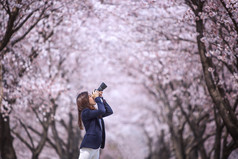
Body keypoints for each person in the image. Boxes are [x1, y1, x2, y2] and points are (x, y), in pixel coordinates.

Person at [76, 90, 113, 159]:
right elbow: (101, 110)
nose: (92, 97)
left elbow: (109, 111)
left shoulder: (94, 113)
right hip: (88, 146)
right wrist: (97, 98)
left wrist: (101, 98)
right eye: (90, 96)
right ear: (85, 101)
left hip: (96, 147)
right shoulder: (85, 112)